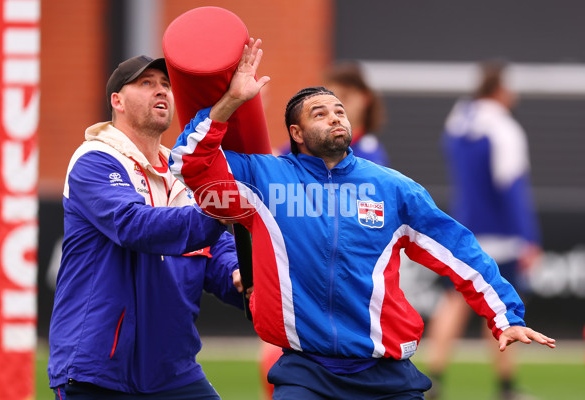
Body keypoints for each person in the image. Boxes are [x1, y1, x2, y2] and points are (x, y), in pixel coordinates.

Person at [169, 39, 555, 400]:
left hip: (387, 373)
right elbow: (186, 164)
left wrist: (504, 314)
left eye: (339, 110)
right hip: (306, 371)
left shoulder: (394, 188)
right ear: (296, 133)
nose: (336, 117)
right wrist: (232, 102)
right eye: (320, 113)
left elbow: (459, 250)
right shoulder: (263, 178)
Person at [47, 55, 248, 400]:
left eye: (166, 85)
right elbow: (134, 226)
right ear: (117, 101)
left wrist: (238, 274)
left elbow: (212, 250)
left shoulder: (181, 175)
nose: (161, 92)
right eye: (146, 83)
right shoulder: (93, 159)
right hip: (100, 368)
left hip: (173, 368)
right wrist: (216, 213)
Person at [260, 60, 391, 398]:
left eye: (342, 101)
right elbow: (269, 169)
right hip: (303, 280)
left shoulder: (369, 157)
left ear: (363, 101)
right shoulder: (306, 154)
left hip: (347, 287)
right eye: (322, 109)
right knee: (275, 362)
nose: (333, 114)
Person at [424, 60, 543, 400]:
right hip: (501, 236)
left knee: (453, 302)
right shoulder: (504, 129)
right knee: (503, 308)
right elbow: (512, 188)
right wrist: (529, 237)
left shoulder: (458, 123)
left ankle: (433, 380)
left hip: (464, 229)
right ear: (500, 90)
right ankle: (506, 388)